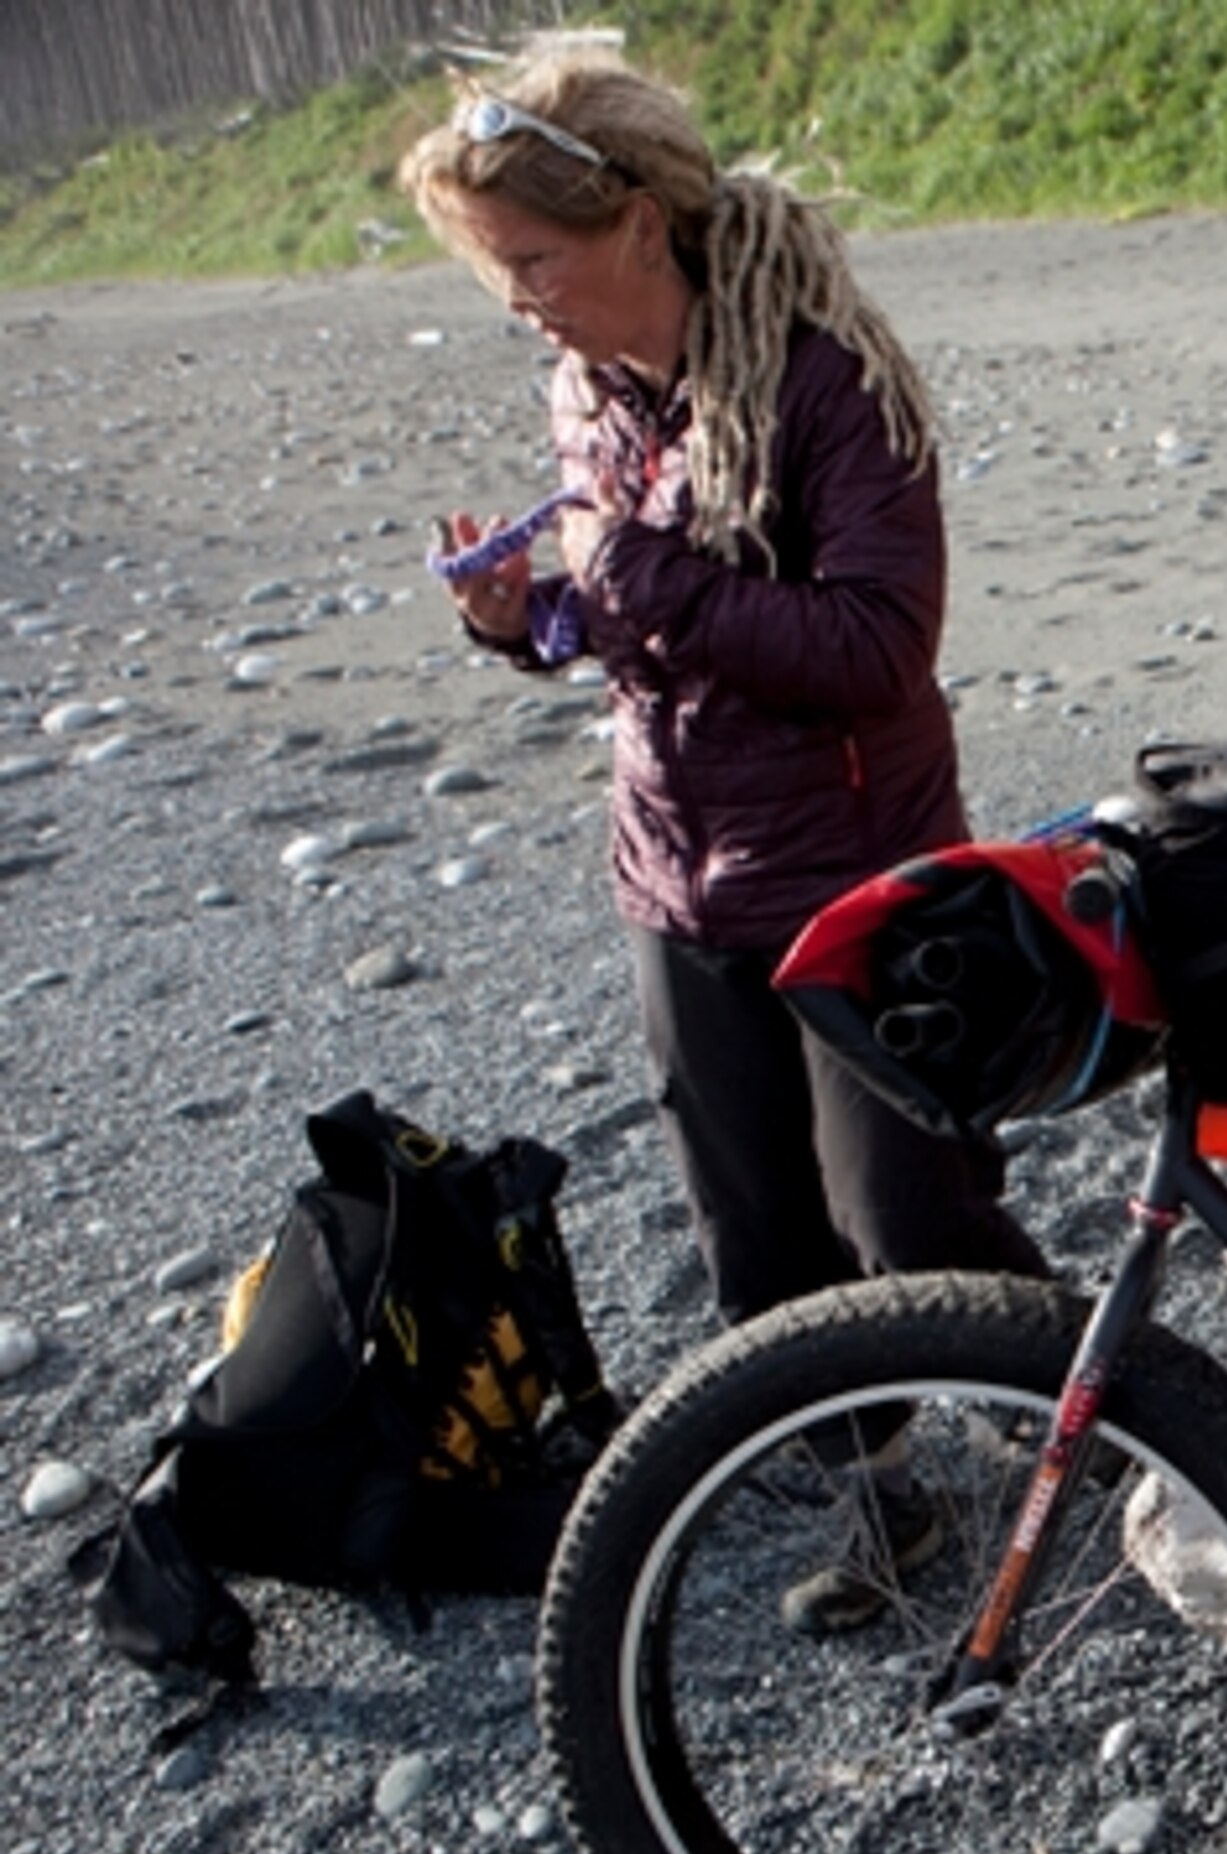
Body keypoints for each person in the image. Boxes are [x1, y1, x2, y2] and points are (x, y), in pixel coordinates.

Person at [401, 43, 1040, 1632]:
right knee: (751, 1229)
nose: (519, 301)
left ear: (635, 224)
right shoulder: (592, 386)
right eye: (498, 272)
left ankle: (1095, 1419)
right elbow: (630, 619)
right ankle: (882, 1488)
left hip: (856, 867)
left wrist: (628, 582)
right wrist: (526, 614)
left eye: (533, 261)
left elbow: (879, 644)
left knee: (912, 1210)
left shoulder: (826, 382)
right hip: (675, 872)